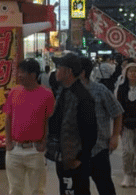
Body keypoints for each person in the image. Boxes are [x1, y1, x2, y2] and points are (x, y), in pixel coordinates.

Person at [4, 58, 55, 195]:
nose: (19, 75)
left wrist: (44, 142)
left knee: (37, 190)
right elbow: (8, 118)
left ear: (33, 75)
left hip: (35, 150)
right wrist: (8, 142)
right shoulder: (14, 93)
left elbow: (49, 121)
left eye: (22, 72)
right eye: (18, 72)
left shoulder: (47, 94)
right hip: (14, 149)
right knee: (15, 189)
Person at [48, 53, 98, 195]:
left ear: (68, 71)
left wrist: (80, 158)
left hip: (74, 160)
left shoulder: (81, 96)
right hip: (65, 157)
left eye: (59, 68)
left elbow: (90, 131)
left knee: (77, 190)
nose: (56, 71)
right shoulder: (64, 91)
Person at [80, 56, 123, 195]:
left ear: (81, 72)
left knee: (105, 187)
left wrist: (115, 136)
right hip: (77, 151)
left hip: (99, 148)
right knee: (80, 188)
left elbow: (117, 112)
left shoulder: (100, 90)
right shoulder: (68, 91)